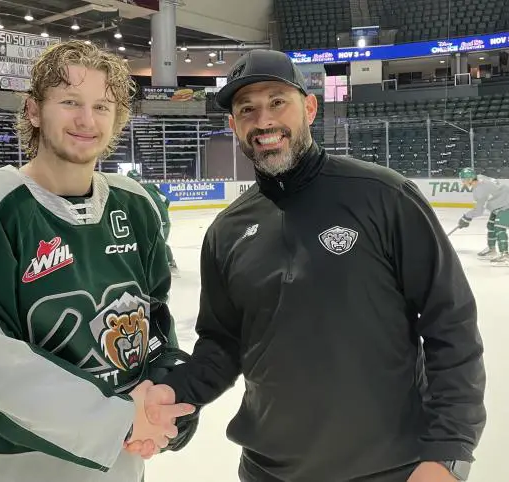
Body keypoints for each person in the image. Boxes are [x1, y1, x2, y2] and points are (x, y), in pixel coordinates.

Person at [128, 49, 487, 482]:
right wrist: (172, 391)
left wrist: (449, 452)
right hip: (268, 471)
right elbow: (220, 346)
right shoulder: (226, 231)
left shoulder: (384, 196)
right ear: (233, 125)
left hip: (391, 469)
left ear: (310, 107)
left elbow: (450, 321)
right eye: (247, 110)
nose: (263, 121)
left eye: (277, 101)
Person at [0, 40, 196, 482]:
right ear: (33, 111)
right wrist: (120, 420)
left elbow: (155, 323)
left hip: (117, 456)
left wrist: (168, 392)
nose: (87, 120)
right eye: (70, 102)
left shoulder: (135, 205)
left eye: (102, 106)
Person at [127, 169, 178, 273]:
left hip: (153, 222)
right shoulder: (151, 186)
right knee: (159, 242)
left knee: (154, 243)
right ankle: (168, 262)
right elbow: (167, 201)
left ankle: (164, 264)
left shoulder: (132, 192)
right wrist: (162, 214)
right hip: (164, 221)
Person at [457, 167, 509, 266]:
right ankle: (492, 249)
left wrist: (466, 218)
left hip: (506, 205)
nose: (463, 182)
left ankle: (505, 255)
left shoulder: (479, 189)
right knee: (491, 226)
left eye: (464, 179)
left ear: (470, 179)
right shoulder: (480, 178)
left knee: (499, 228)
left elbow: (479, 211)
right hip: (499, 204)